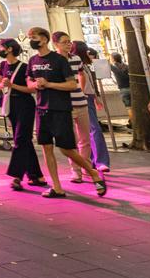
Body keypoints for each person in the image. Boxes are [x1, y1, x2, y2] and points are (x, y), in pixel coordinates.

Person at [27, 26, 106, 199]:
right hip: (42, 110)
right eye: (30, 38)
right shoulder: (32, 60)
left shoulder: (59, 60)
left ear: (45, 40)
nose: (31, 40)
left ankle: (92, 172)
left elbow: (72, 84)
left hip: (61, 109)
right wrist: (35, 85)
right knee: (46, 148)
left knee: (67, 149)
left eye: (34, 38)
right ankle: (57, 187)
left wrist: (49, 84)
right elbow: (29, 82)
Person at [0, 39, 45, 191]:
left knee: (20, 138)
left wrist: (12, 85)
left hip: (25, 104)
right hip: (11, 104)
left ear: (9, 49)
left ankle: (17, 175)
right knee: (24, 140)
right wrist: (2, 85)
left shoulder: (24, 67)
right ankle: (36, 176)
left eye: (2, 47)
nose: (0, 49)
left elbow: (32, 89)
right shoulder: (2, 65)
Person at [50, 33, 94, 182]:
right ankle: (76, 171)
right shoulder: (53, 60)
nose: (68, 45)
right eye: (65, 42)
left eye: (69, 42)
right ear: (56, 44)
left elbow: (81, 74)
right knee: (71, 140)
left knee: (85, 138)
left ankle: (86, 168)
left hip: (80, 102)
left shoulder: (76, 59)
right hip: (65, 104)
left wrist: (81, 90)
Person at [73, 41, 110, 174]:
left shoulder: (85, 66)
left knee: (90, 131)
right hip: (83, 98)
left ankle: (95, 161)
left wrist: (96, 96)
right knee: (93, 130)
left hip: (88, 97)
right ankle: (98, 161)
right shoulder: (76, 65)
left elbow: (91, 81)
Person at [109, 52, 131, 123]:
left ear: (113, 59)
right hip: (131, 87)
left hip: (123, 89)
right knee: (134, 107)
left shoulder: (113, 67)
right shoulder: (126, 66)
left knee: (129, 107)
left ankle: (133, 123)